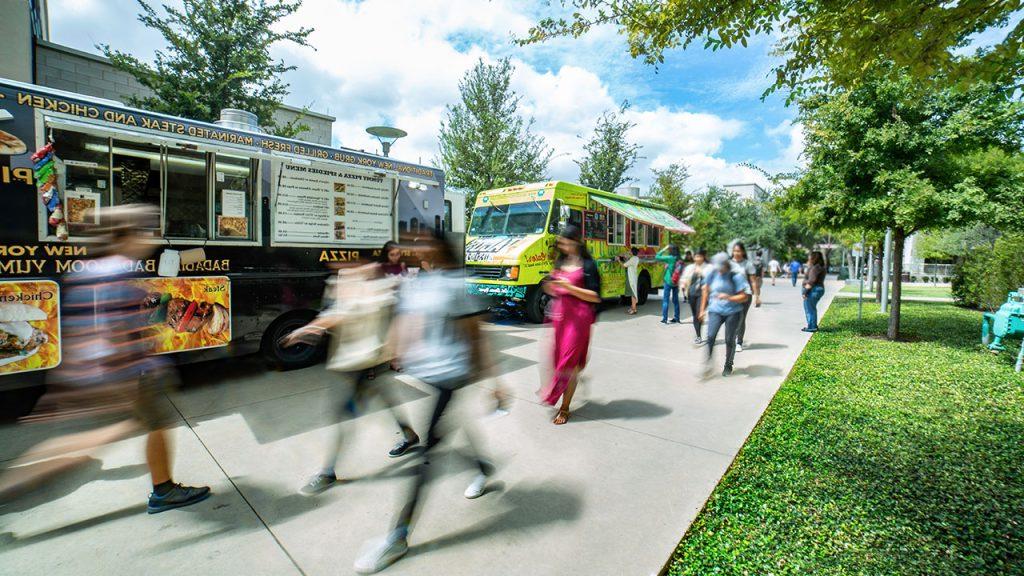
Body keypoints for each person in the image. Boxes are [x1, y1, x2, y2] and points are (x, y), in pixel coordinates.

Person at [0, 205, 210, 513]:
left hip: (88, 372)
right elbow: (117, 332)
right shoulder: (120, 269)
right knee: (142, 427)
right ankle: (164, 490)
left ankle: (12, 482)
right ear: (128, 234)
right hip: (122, 373)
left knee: (87, 440)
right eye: (147, 231)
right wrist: (140, 369)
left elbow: (78, 329)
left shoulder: (86, 270)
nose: (151, 238)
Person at [354, 233, 497, 574]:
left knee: (428, 455)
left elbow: (475, 334)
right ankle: (481, 466)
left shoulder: (456, 284)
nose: (413, 249)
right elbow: (407, 320)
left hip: (451, 375)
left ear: (438, 249)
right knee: (449, 429)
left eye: (421, 244)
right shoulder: (421, 282)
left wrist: (492, 381)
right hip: (427, 372)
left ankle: (398, 536)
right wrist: (392, 351)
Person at [282, 262, 421, 496]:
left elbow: (345, 314)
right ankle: (409, 435)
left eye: (352, 271)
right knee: (385, 399)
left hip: (365, 364)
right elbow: (336, 313)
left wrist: (304, 330)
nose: (344, 276)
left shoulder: (378, 292)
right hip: (355, 363)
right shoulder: (354, 288)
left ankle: (327, 472)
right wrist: (312, 328)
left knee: (343, 417)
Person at [539, 224, 601, 425]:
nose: (563, 247)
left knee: (569, 364)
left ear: (576, 241)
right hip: (560, 319)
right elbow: (553, 288)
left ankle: (564, 408)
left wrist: (569, 288)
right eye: (561, 244)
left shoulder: (588, 265)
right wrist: (549, 286)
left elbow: (595, 296)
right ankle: (566, 388)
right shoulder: (560, 262)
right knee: (557, 360)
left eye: (565, 243)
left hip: (579, 320)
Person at [700, 252, 751, 377]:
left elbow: (744, 297)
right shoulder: (712, 274)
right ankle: (708, 364)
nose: (719, 270)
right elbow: (706, 291)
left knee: (729, 340)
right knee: (711, 336)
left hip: (733, 312)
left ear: (726, 265)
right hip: (715, 310)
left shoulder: (736, 276)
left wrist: (729, 297)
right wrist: (702, 310)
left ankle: (728, 364)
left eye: (720, 267)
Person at [731, 242, 760, 351]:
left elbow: (753, 282)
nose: (736, 253)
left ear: (743, 252)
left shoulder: (748, 264)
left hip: (745, 294)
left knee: (741, 318)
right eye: (735, 251)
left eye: (738, 251)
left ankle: (739, 342)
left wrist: (757, 296)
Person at [681, 250, 713, 344]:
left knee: (700, 313)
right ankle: (698, 335)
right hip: (691, 293)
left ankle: (707, 332)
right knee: (695, 315)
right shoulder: (690, 267)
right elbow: (684, 278)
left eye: (699, 256)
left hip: (703, 294)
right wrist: (683, 284)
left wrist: (702, 273)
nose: (697, 258)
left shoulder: (709, 267)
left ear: (703, 257)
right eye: (696, 257)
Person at [656, 244, 682, 324]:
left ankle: (665, 318)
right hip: (676, 282)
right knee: (676, 300)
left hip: (668, 281)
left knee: (666, 300)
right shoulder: (679, 259)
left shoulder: (670, 258)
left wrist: (664, 248)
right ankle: (677, 318)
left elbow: (657, 256)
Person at [802, 251, 827, 332]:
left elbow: (811, 281)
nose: (808, 258)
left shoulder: (815, 268)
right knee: (811, 308)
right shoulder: (819, 267)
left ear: (814, 257)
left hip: (813, 289)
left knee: (810, 309)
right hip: (817, 289)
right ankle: (812, 325)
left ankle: (812, 327)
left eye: (810, 256)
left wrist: (805, 292)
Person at [619, 247, 640, 314]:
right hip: (633, 277)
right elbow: (628, 260)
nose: (629, 252)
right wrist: (625, 256)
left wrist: (618, 260)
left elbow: (623, 265)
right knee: (633, 293)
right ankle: (633, 308)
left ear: (632, 252)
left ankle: (633, 309)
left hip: (631, 278)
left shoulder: (633, 259)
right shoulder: (636, 258)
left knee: (633, 294)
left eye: (630, 251)